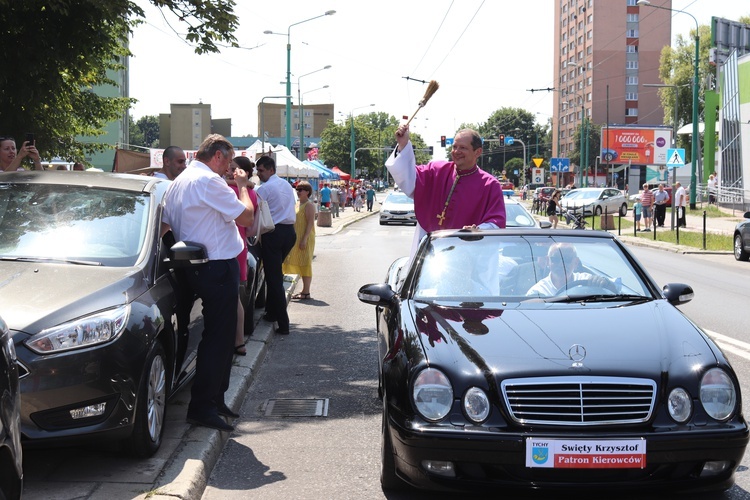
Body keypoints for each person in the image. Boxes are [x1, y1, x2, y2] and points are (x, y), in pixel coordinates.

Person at [162, 133, 255, 432]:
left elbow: (167, 225)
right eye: (227, 161)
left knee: (217, 335)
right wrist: (241, 188)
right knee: (219, 337)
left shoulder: (180, 182)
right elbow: (246, 218)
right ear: (217, 156)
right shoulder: (208, 181)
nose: (229, 169)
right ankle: (203, 405)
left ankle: (214, 399)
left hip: (199, 265)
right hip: (216, 265)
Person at [385, 124, 506, 255]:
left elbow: (497, 221)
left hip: (468, 254)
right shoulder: (436, 170)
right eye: (454, 147)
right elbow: (409, 178)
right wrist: (403, 145)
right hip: (430, 252)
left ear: (478, 152)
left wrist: (478, 230)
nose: (456, 151)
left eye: (463, 148)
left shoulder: (490, 185)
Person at [255, 155, 297, 335]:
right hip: (289, 233)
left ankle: (283, 323)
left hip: (274, 233)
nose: (259, 174)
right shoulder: (286, 185)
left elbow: (254, 208)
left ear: (271, 170)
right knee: (274, 275)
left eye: (261, 171)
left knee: (274, 279)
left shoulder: (265, 188)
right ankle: (272, 313)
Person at [226, 156, 259, 356]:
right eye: (229, 168)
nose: (229, 172)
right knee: (236, 297)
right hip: (241, 246)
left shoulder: (232, 190)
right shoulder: (251, 192)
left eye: (233, 169)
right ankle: (239, 341)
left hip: (232, 247)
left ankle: (237, 341)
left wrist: (235, 183)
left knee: (234, 297)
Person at [526, 243, 616, 297]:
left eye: (567, 259)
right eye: (556, 259)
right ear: (547, 261)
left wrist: (606, 283)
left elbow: (616, 291)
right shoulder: (538, 291)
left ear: (576, 262)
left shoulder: (587, 280)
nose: (561, 264)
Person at [283, 180, 316, 300]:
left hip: (305, 237)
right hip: (296, 237)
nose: (298, 192)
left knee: (305, 262)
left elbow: (310, 224)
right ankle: (304, 291)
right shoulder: (297, 203)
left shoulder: (309, 205)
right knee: (299, 261)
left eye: (301, 189)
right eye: (297, 189)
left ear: (307, 192)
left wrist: (304, 239)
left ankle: (306, 292)